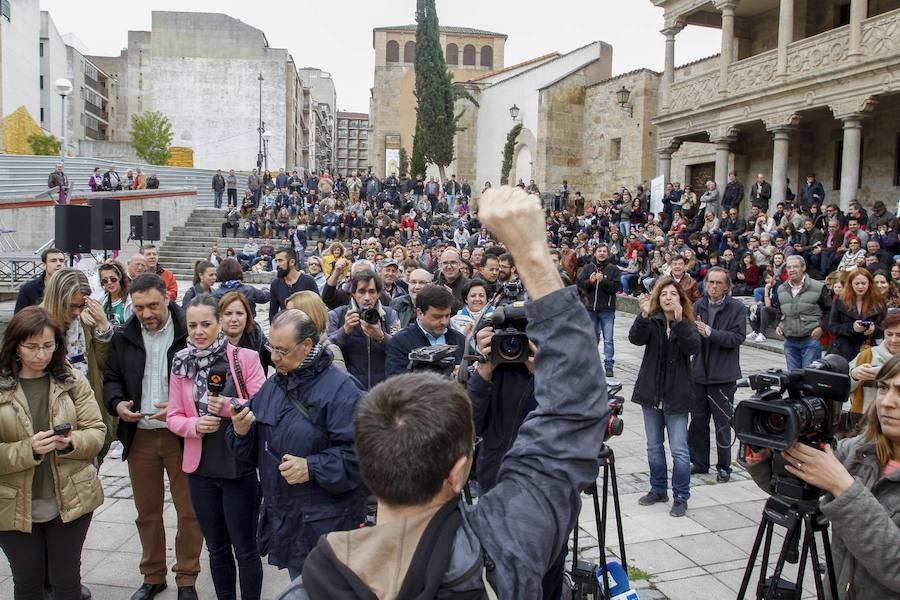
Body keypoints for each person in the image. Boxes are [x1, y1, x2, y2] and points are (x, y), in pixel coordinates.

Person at [293, 185, 609, 599]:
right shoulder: (501, 550)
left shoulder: (307, 589)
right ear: (459, 473)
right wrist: (532, 253)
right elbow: (574, 412)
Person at [745, 352, 900, 600]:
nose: (888, 402)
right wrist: (762, 453)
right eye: (883, 388)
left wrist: (844, 487)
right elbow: (799, 490)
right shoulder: (859, 450)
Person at [226, 309, 367, 580]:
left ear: (307, 346)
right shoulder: (274, 385)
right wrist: (240, 431)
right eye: (271, 348)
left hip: (329, 523)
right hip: (289, 517)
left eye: (282, 350)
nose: (274, 357)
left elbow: (362, 457)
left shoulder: (343, 390)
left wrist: (312, 467)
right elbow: (250, 454)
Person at [103, 274, 203, 600]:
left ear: (167, 299)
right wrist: (117, 403)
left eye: (153, 306)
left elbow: (206, 382)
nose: (146, 314)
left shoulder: (190, 333)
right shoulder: (124, 336)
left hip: (180, 435)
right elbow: (112, 378)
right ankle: (153, 575)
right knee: (147, 512)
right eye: (140, 307)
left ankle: (187, 577)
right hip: (141, 436)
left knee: (189, 512)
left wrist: (179, 408)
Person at [0, 306, 106, 600]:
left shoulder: (70, 380)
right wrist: (28, 450)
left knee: (67, 580)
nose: (40, 355)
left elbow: (96, 431)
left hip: (71, 498)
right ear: (15, 345)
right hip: (12, 502)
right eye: (31, 347)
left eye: (48, 346)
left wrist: (72, 442)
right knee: (28, 583)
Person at [167, 295, 266, 600]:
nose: (198, 331)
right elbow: (173, 416)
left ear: (220, 322)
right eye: (192, 325)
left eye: (206, 324)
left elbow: (262, 406)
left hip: (238, 465)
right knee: (216, 548)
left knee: (245, 549)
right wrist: (193, 426)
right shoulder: (181, 361)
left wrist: (227, 407)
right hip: (201, 468)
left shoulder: (244, 358)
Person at [630, 277, 701, 517]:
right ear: (657, 299)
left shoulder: (687, 323)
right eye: (663, 294)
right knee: (653, 446)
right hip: (651, 393)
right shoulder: (653, 321)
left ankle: (681, 495)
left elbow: (693, 348)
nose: (668, 298)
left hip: (677, 396)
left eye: (673, 294)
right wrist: (643, 316)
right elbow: (635, 339)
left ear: (681, 299)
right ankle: (658, 488)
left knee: (679, 449)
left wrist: (680, 322)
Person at [42, 268, 116, 460]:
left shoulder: (86, 322)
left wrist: (103, 326)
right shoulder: (36, 325)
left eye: (81, 306)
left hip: (86, 407)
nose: (76, 312)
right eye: (71, 306)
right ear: (57, 299)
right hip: (50, 414)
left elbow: (102, 364)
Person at [688, 267, 745, 482]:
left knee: (723, 424)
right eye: (710, 282)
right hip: (699, 374)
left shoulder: (737, 308)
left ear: (726, 286)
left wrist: (710, 333)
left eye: (718, 283)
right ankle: (700, 462)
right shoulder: (698, 305)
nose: (713, 287)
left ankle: (724, 466)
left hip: (723, 375)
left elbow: (737, 338)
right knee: (698, 421)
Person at [326, 270, 399, 390]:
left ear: (378, 294)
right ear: (353, 293)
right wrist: (344, 331)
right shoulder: (337, 315)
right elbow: (327, 351)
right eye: (361, 291)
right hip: (349, 389)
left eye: (372, 292)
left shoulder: (389, 314)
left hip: (383, 389)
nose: (367, 298)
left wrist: (381, 337)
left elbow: (400, 349)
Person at [385, 285, 466, 377]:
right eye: (437, 317)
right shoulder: (400, 342)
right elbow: (396, 381)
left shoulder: (460, 340)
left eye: (447, 316)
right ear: (420, 313)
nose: (444, 322)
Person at [775, 255, 832, 370]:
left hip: (810, 339)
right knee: (793, 378)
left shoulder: (818, 287)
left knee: (810, 378)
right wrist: (778, 324)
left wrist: (821, 328)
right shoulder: (781, 288)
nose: (792, 270)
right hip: (789, 340)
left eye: (795, 266)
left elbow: (830, 311)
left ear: (803, 267)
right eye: (789, 267)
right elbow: (779, 309)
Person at [577, 244, 620, 378]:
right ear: (595, 253)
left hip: (607, 310)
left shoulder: (613, 269)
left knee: (608, 339)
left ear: (607, 254)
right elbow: (580, 286)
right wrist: (589, 282)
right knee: (591, 338)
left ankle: (608, 365)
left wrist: (603, 281)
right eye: (599, 251)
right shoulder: (587, 268)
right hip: (590, 309)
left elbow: (616, 288)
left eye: (604, 251)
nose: (602, 253)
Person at [828, 268, 885, 361]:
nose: (860, 287)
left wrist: (874, 329)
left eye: (863, 283)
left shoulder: (878, 302)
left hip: (869, 349)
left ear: (869, 284)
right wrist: (852, 328)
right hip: (844, 350)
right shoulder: (840, 301)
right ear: (850, 284)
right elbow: (833, 326)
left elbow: (884, 326)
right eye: (857, 284)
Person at [284, 291, 346, 371]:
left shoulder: (330, 352)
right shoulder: (288, 348)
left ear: (309, 316)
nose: (285, 319)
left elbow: (339, 382)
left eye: (291, 315)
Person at [219, 291, 272, 375]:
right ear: (220, 317)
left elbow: (275, 358)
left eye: (239, 314)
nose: (234, 319)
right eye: (228, 314)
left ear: (247, 316)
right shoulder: (211, 343)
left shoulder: (257, 336)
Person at [269, 249, 318, 323]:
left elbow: (317, 308)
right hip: (285, 328)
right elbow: (273, 312)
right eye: (276, 261)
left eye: (280, 260)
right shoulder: (275, 284)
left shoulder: (308, 281)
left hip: (306, 327)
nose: (277, 264)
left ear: (292, 262)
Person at [14, 247, 66, 312]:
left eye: (61, 261)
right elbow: (18, 317)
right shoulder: (28, 289)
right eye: (53, 261)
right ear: (44, 265)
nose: (59, 264)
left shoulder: (72, 286)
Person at [96, 260, 132, 330]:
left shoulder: (131, 300)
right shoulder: (101, 301)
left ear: (120, 278)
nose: (109, 283)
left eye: (113, 279)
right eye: (105, 281)